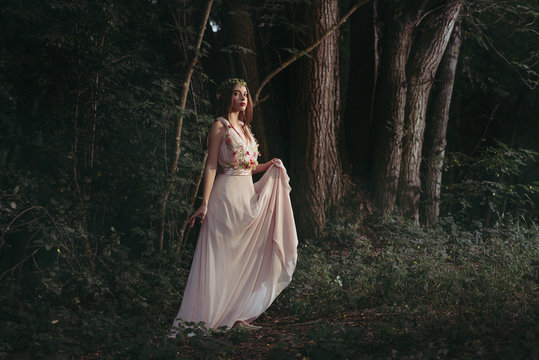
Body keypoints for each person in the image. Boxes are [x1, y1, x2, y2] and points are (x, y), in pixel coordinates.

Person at [168, 78, 298, 337]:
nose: (242, 99)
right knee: (223, 258)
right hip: (225, 197)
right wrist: (204, 203)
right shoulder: (220, 126)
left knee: (243, 257)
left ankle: (236, 313)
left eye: (246, 95)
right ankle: (211, 316)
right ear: (228, 96)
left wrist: (269, 165)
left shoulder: (246, 129)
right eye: (237, 94)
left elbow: (248, 167)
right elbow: (212, 165)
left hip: (245, 196)